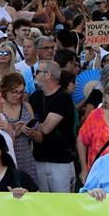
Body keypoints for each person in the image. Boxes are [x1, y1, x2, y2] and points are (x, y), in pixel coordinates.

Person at [29, 59, 77, 192]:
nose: (35, 74)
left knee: (62, 206)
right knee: (43, 207)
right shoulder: (35, 97)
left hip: (60, 162)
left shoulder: (63, 97)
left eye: (38, 72)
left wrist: (34, 125)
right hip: (39, 159)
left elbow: (45, 128)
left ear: (48, 75)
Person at [77, 73, 109, 176]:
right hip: (96, 173)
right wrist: (84, 168)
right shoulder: (95, 115)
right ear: (105, 96)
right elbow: (81, 140)